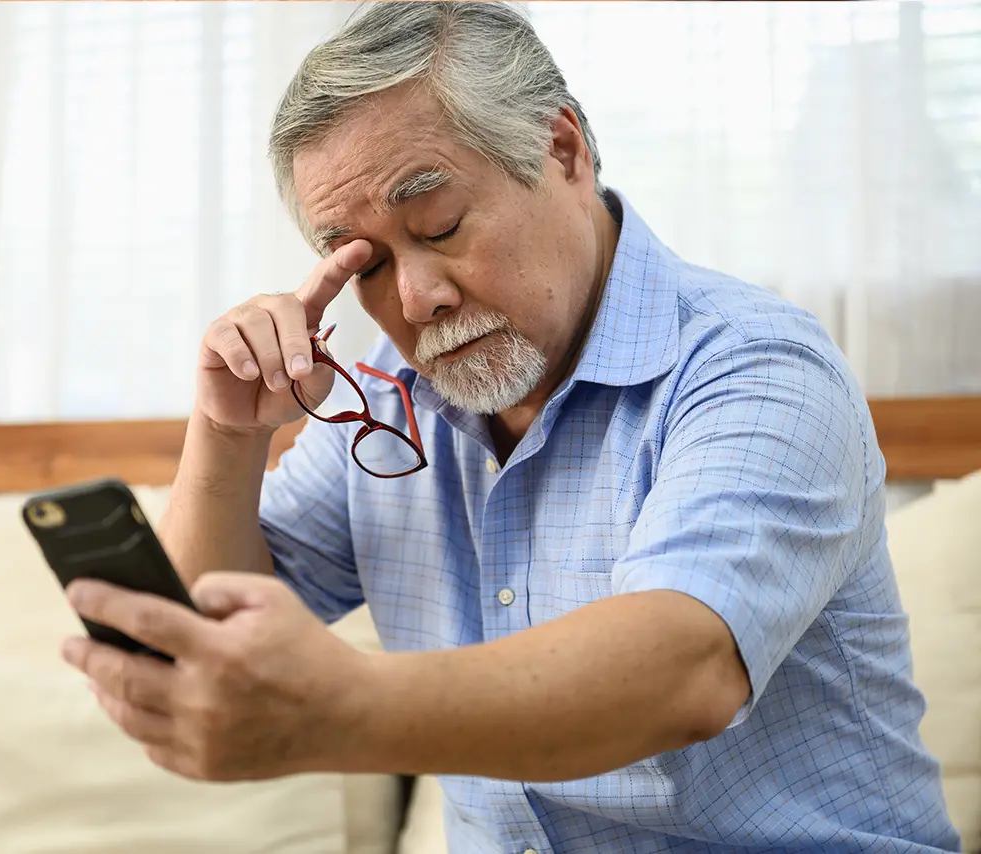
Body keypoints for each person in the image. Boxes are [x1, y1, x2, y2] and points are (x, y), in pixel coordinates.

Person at [58, 3, 962, 852]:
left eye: (441, 225)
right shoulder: (386, 390)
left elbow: (682, 669)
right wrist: (227, 435)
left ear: (563, 149)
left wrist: (342, 708)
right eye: (366, 265)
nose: (416, 300)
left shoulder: (756, 366)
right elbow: (192, 627)